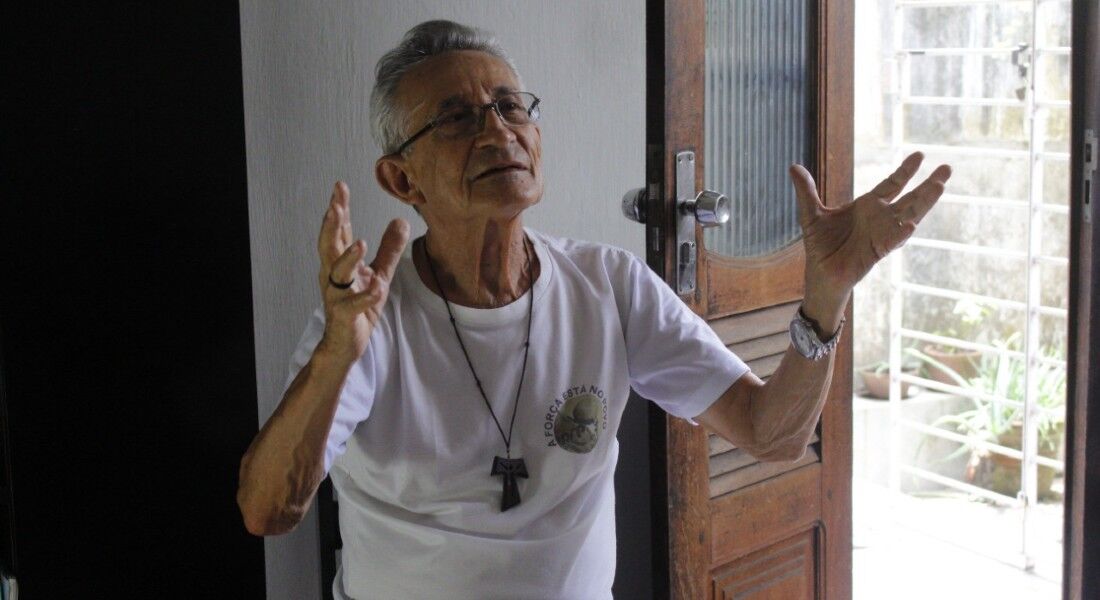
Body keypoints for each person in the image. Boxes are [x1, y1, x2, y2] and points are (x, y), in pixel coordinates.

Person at [236, 19, 951, 600]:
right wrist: (337, 354)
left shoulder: (606, 283)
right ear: (401, 178)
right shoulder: (369, 321)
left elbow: (773, 435)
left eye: (511, 106)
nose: (497, 132)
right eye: (455, 120)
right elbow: (267, 510)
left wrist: (826, 297)